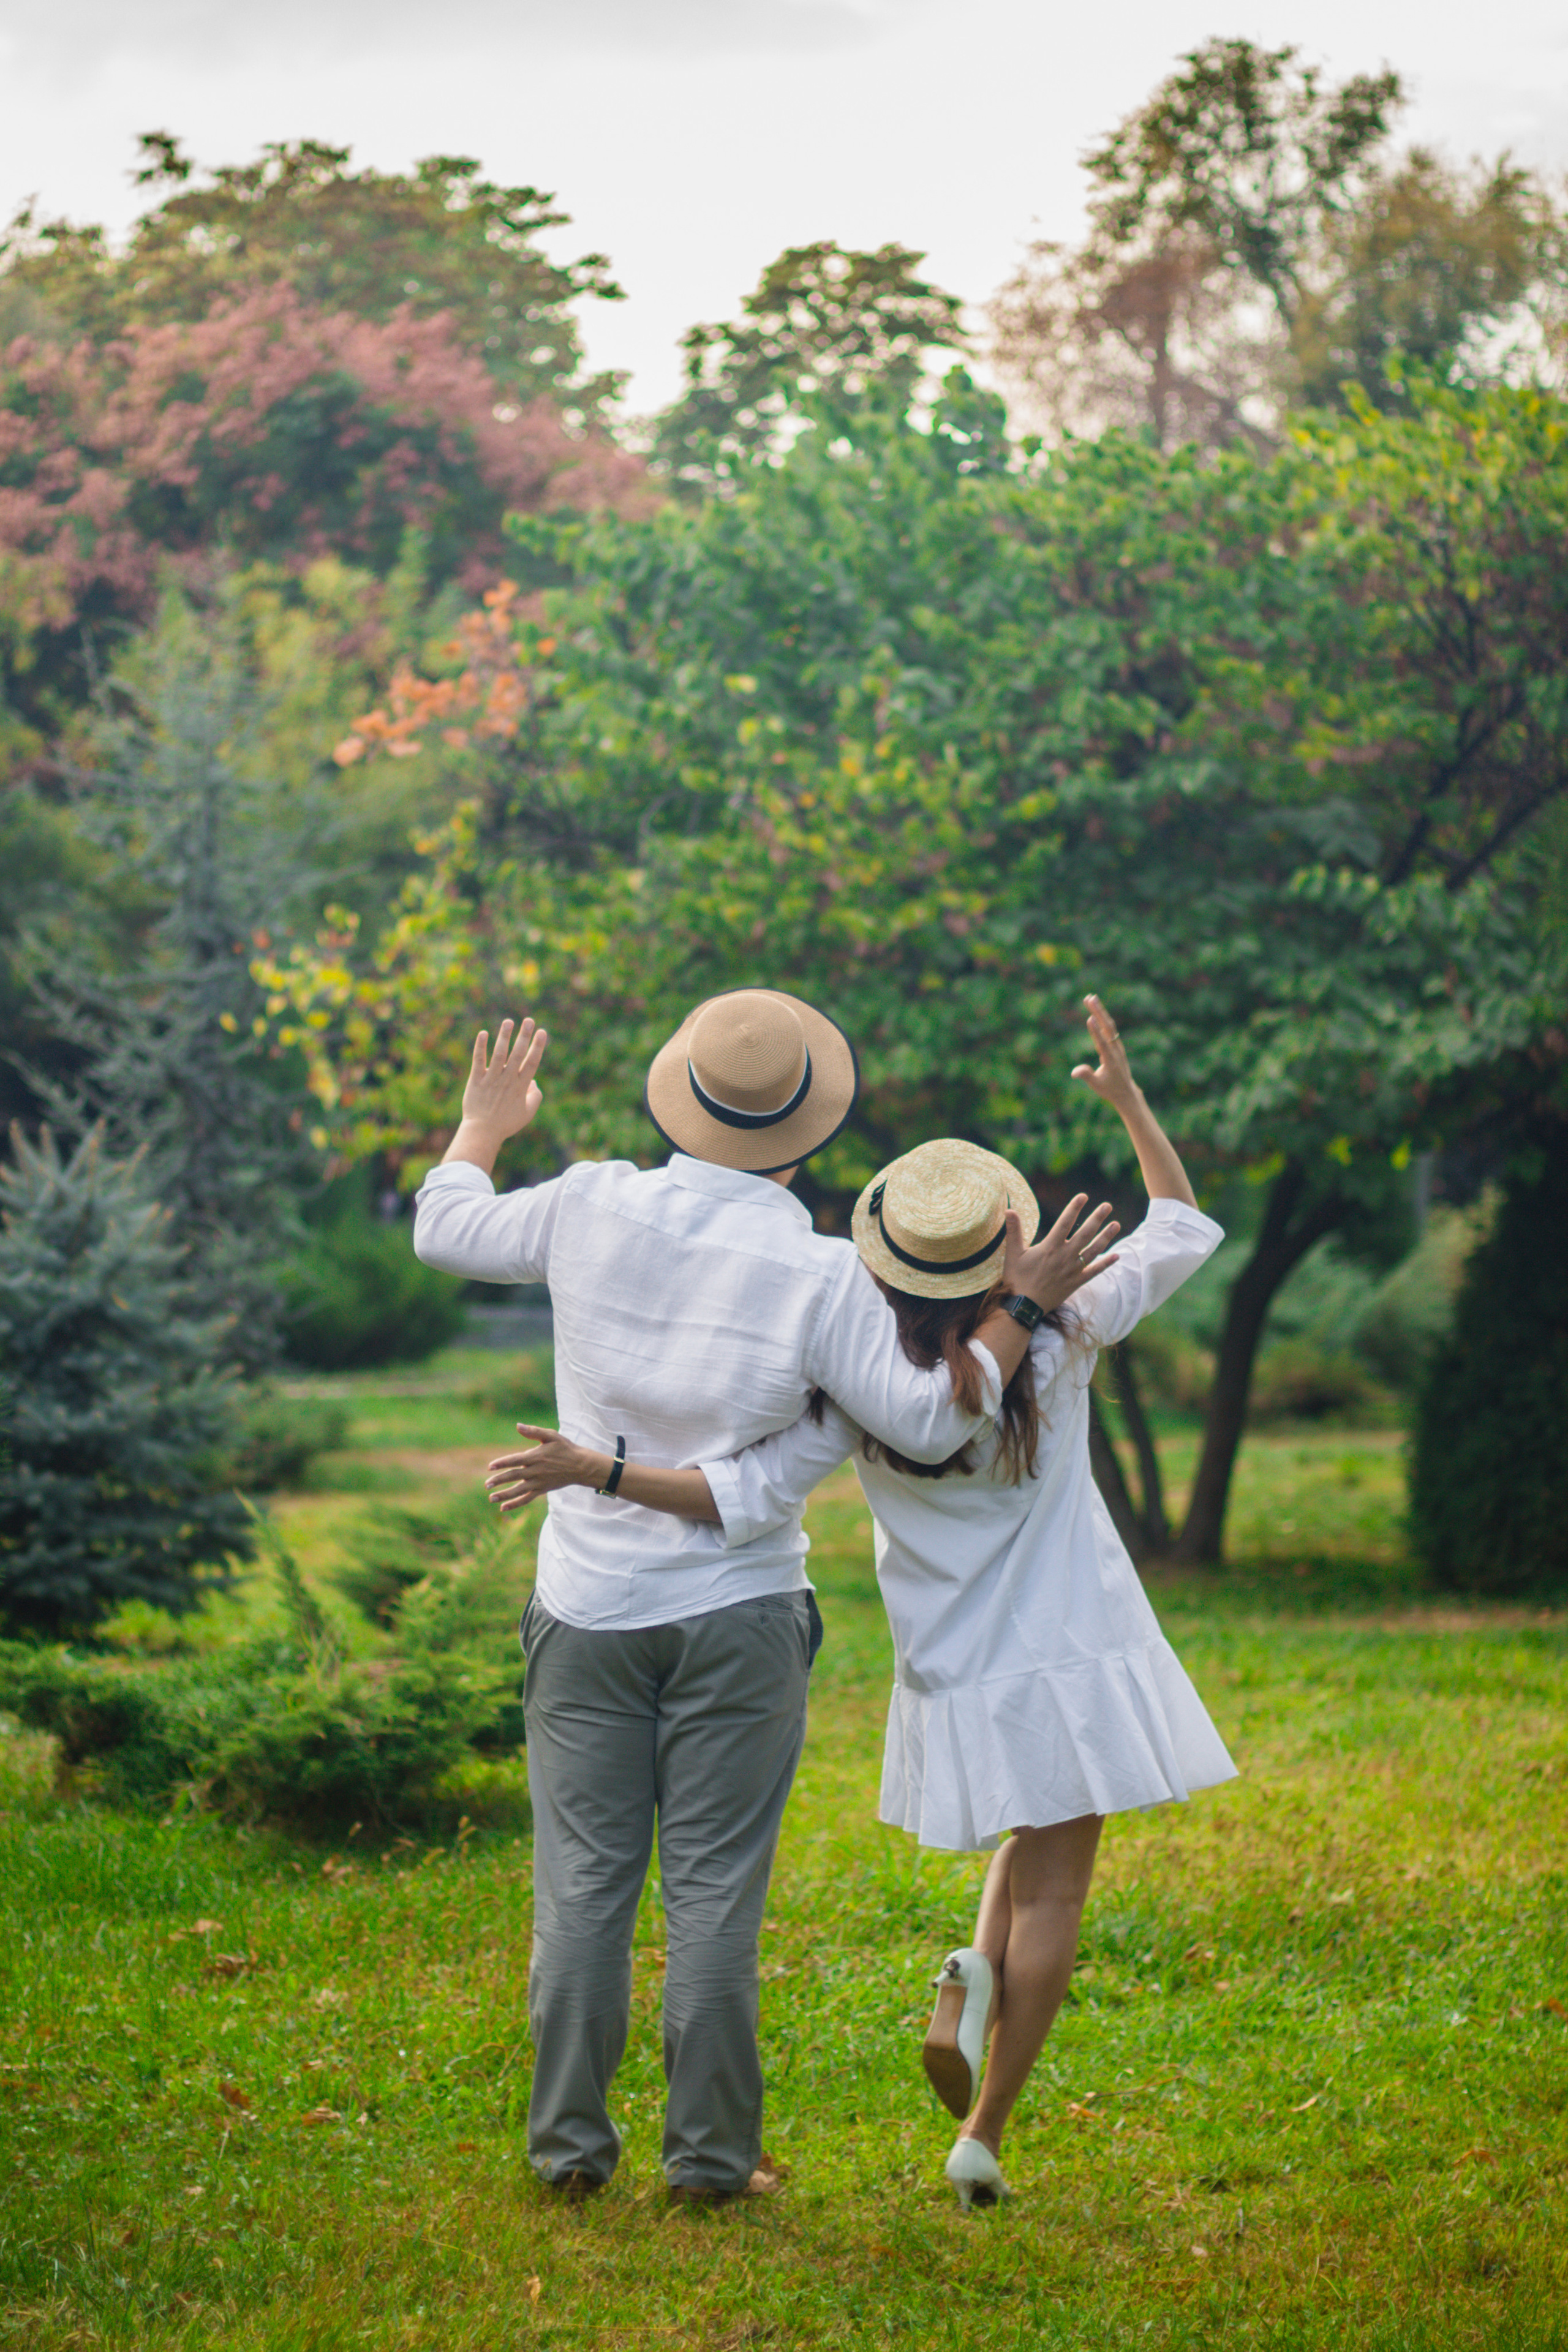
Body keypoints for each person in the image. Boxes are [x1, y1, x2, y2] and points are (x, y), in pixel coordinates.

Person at [486, 996, 1237, 2210]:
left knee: (1011, 1844)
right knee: (1053, 1881)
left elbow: (755, 1471)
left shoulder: (859, 1380)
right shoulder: (1062, 1336)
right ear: (1009, 1251)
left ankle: (949, 1990)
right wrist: (1127, 1105)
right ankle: (983, 2129)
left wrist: (603, 1469)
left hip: (943, 1663)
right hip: (1068, 1644)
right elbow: (1180, 1222)